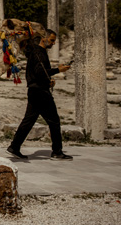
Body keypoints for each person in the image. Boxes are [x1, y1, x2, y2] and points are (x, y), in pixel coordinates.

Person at [7, 29, 73, 161]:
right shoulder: (38, 53)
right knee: (54, 121)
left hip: (35, 90)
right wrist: (58, 70)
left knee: (29, 120)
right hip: (40, 92)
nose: (53, 43)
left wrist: (48, 81)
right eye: (52, 40)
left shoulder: (37, 52)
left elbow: (40, 73)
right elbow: (39, 72)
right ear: (44, 38)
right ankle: (57, 152)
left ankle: (15, 146)